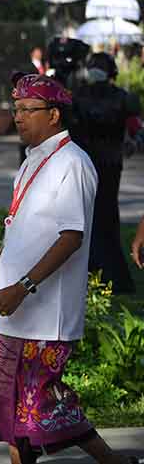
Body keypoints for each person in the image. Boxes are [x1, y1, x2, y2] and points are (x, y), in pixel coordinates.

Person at [0, 73, 141, 464]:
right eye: (15, 109)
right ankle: (110, 461)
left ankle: (111, 460)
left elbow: (71, 238)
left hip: (45, 314)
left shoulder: (72, 162)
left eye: (27, 110)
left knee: (40, 403)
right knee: (13, 407)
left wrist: (22, 286)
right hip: (15, 310)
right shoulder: (31, 161)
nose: (18, 117)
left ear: (54, 115)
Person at [70, 52, 142, 294]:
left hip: (87, 163)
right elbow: (136, 130)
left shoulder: (77, 96)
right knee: (106, 216)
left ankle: (94, 271)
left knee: (89, 216)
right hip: (109, 163)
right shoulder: (123, 98)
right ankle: (111, 274)